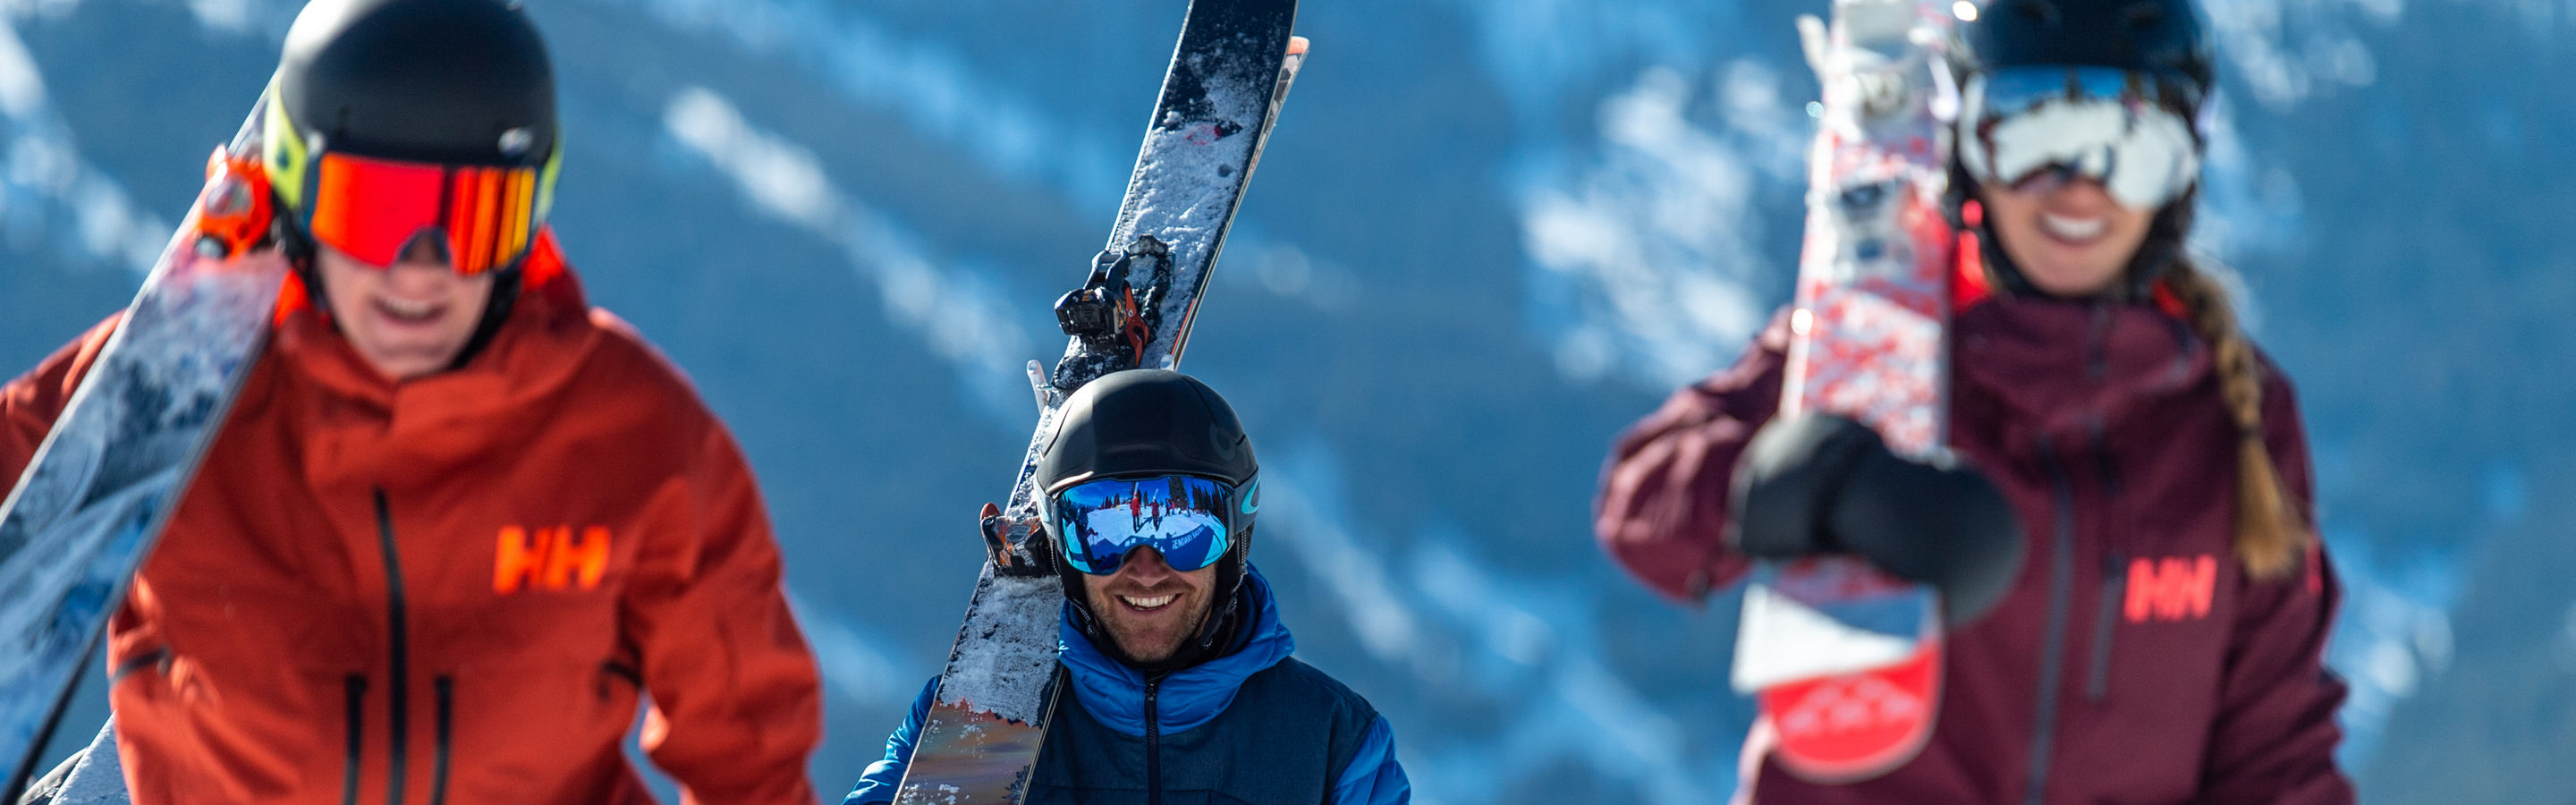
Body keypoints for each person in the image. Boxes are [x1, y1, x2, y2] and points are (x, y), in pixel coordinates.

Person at [0, 1, 823, 802]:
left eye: (472, 220)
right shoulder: (177, 384)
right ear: (298, 194)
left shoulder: (623, 432)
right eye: (375, 210)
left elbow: (745, 733)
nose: (420, 270)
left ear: (529, 216)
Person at [1591, 0, 2356, 801]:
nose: (2079, 188)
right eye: (2029, 133)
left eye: (2131, 147)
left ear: (2180, 175)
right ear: (1966, 151)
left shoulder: (2233, 420)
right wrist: (1811, 483)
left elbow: (2276, 754)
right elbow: (1640, 506)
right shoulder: (1879, 338)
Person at [841, 369, 1410, 805]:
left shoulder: (1333, 746)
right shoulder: (988, 720)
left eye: (1183, 529)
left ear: (1236, 538)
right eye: (1104, 529)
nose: (1145, 567)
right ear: (1063, 547)